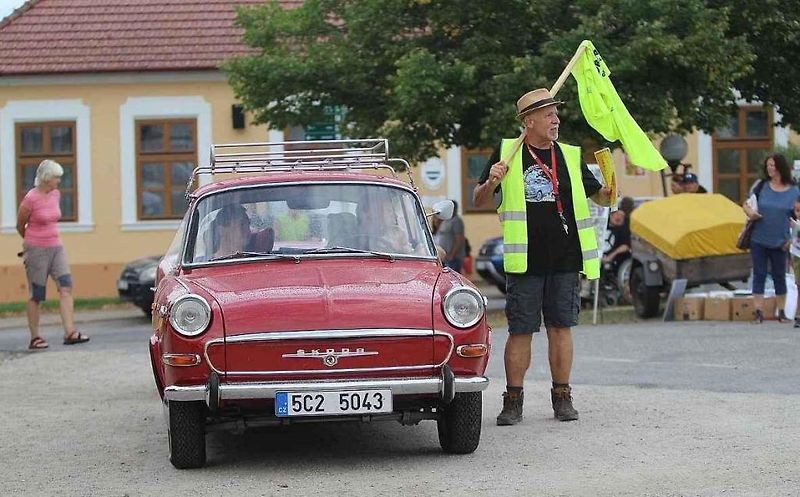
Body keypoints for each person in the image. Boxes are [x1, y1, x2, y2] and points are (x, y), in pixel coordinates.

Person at [473, 88, 612, 424]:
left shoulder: (569, 155)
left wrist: (611, 187)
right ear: (528, 121)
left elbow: (600, 198)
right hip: (526, 259)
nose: (556, 119)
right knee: (521, 330)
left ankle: (562, 397)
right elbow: (479, 199)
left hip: (565, 258)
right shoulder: (508, 153)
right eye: (549, 114)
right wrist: (492, 182)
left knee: (561, 328)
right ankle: (513, 401)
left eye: (556, 113)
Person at [16, 159, 89, 350]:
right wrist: (31, 244)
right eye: (56, 178)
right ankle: (35, 337)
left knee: (66, 286)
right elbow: (20, 224)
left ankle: (70, 332)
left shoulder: (55, 195)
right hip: (36, 250)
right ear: (47, 178)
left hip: (57, 247)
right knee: (37, 294)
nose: (59, 181)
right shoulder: (31, 198)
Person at [743, 154, 799, 323]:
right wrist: (750, 213)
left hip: (781, 240)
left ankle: (781, 311)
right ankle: (758, 311)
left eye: (773, 166)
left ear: (780, 167)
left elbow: (797, 214)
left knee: (779, 275)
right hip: (759, 237)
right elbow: (746, 204)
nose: (770, 169)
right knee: (759, 274)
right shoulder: (761, 186)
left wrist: (793, 236)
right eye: (768, 166)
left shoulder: (794, 190)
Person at [433, 199, 466, 272]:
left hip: (451, 258)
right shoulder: (446, 220)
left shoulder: (456, 221)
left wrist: (452, 255)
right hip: (443, 256)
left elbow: (459, 239)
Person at [602, 208, 631, 273]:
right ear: (610, 215)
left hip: (615, 262)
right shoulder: (601, 227)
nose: (619, 217)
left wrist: (610, 256)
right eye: (617, 214)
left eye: (622, 216)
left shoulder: (623, 231)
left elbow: (625, 246)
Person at [789, 196, 800, 328]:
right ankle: (798, 314)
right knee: (798, 285)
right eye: (796, 210)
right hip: (797, 256)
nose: (798, 213)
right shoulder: (795, 223)